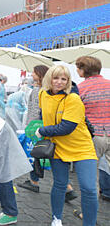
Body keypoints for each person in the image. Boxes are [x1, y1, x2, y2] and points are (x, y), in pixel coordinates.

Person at [35, 65, 98, 226]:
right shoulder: (42, 94)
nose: (59, 82)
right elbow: (43, 114)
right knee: (60, 184)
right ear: (49, 78)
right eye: (56, 78)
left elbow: (66, 127)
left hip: (82, 147)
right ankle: (56, 218)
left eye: (64, 79)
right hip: (58, 146)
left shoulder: (73, 99)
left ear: (68, 81)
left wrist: (43, 130)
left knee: (89, 188)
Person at [76, 56, 110, 202]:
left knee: (91, 177)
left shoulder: (80, 88)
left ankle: (89, 212)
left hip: (93, 136)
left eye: (78, 67)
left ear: (83, 70)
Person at [19, 65, 49, 193]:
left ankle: (34, 181)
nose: (32, 75)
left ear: (40, 74)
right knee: (42, 155)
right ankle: (67, 187)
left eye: (34, 72)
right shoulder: (47, 89)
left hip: (36, 126)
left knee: (35, 153)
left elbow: (35, 109)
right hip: (44, 125)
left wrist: (30, 127)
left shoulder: (38, 90)